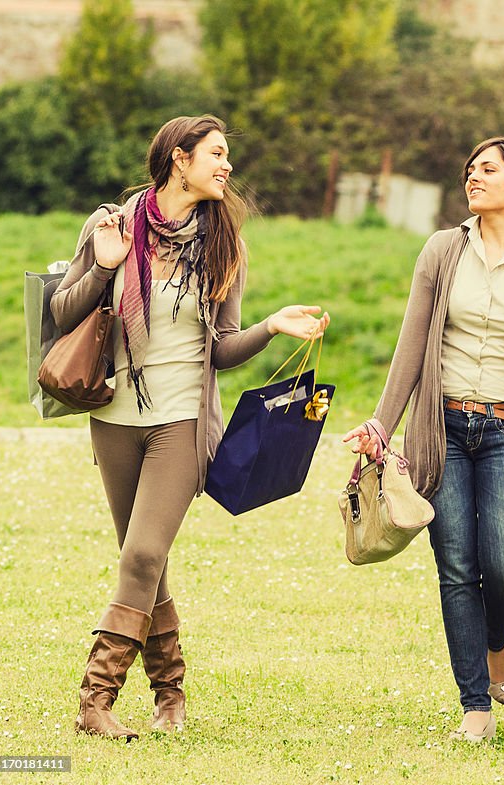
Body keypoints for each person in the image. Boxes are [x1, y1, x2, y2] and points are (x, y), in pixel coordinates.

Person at [51, 115, 329, 741]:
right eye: (217, 154)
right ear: (179, 158)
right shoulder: (112, 226)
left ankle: (94, 701)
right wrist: (103, 267)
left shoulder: (222, 245)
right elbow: (62, 311)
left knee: (144, 553)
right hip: (114, 415)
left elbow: (223, 348)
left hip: (180, 419)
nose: (227, 166)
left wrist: (271, 327)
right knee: (144, 564)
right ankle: (170, 693)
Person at [343, 137, 504, 742]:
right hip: (444, 430)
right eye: (470, 170)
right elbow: (411, 344)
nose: (473, 178)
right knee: (457, 567)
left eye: (488, 170)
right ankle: (474, 705)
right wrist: (382, 424)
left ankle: (493, 645)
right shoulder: (441, 251)